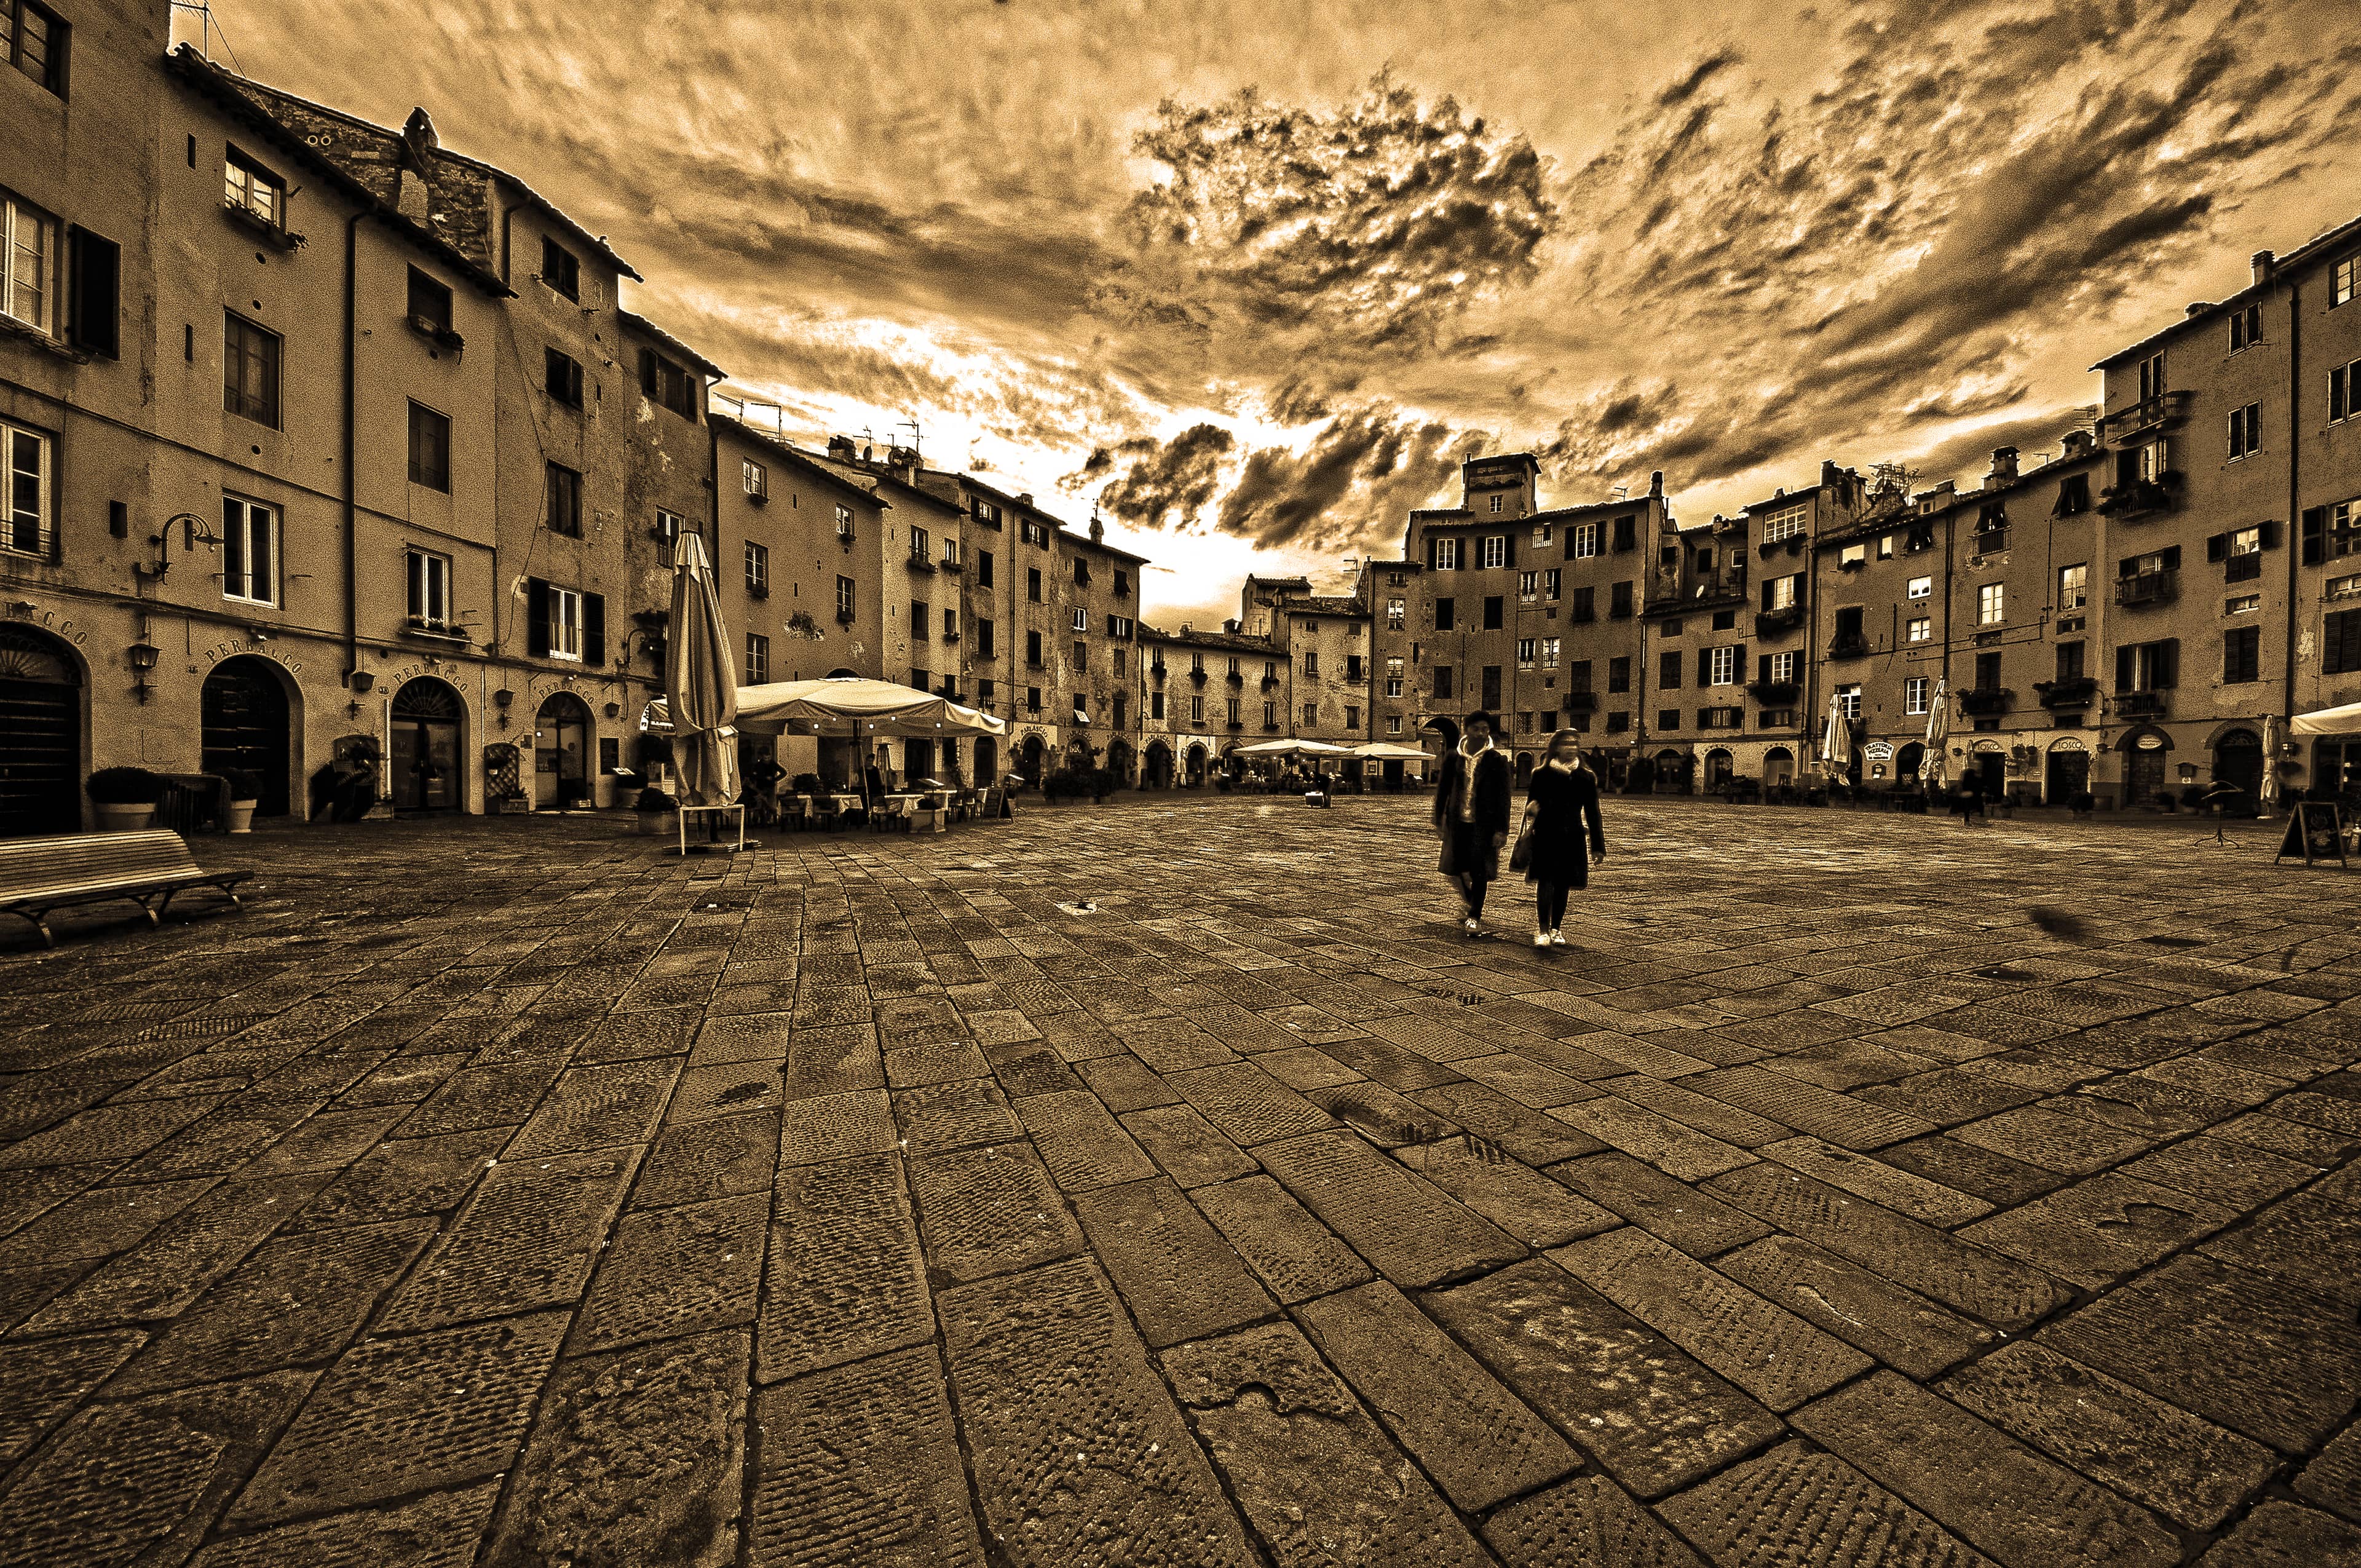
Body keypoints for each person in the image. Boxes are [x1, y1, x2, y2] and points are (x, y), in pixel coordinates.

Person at [1516, 731, 1607, 947]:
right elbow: (1532, 805)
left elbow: (1593, 813)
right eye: (1566, 743)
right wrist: (1531, 808)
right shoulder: (1541, 774)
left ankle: (1556, 927)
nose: (1571, 747)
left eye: (1575, 743)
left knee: (1563, 884)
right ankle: (1543, 930)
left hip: (1572, 836)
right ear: (1556, 747)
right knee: (1546, 881)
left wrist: (1598, 847)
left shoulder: (1586, 777)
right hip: (1546, 834)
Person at [1433, 711, 1512, 936]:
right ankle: (1471, 901)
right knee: (1453, 867)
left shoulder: (1497, 761)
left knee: (1479, 871)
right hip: (1458, 823)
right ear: (1466, 730)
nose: (1480, 733)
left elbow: (1504, 798)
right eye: (1476, 728)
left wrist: (1502, 830)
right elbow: (1443, 790)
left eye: (1485, 729)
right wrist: (1439, 819)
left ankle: (1475, 915)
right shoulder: (1452, 758)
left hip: (1484, 824)